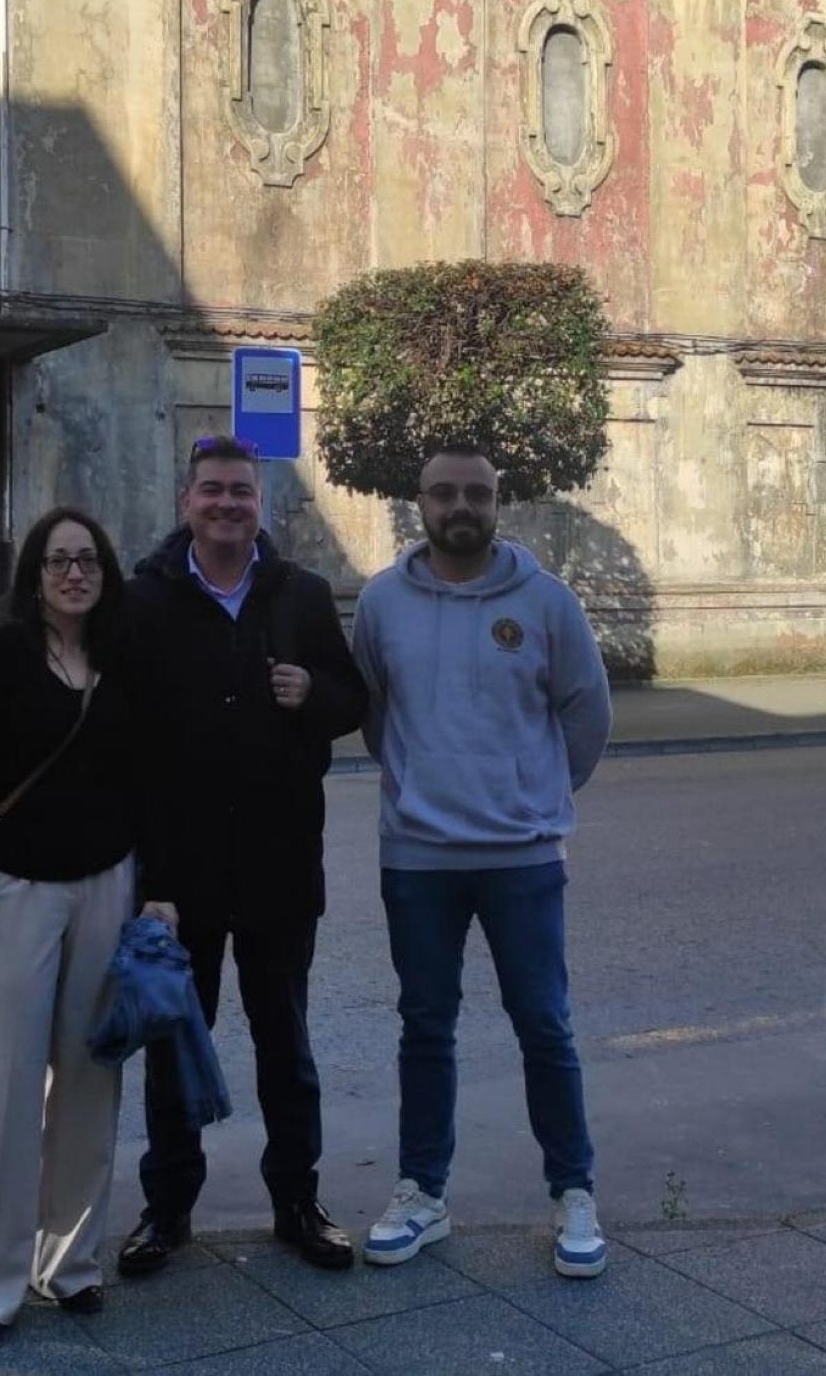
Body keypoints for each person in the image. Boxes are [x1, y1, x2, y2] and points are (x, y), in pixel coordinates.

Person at [350, 443, 612, 1278]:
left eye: (477, 493)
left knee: (545, 1024)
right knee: (425, 1025)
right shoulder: (382, 602)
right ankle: (422, 1192)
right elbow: (375, 713)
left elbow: (586, 712)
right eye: (444, 492)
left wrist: (533, 796)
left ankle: (573, 1192)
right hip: (417, 856)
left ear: (498, 502)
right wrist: (422, 786)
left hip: (521, 857)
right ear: (419, 502)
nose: (460, 506)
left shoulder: (546, 601)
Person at [115, 434, 369, 1276]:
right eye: (213, 490)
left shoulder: (300, 593)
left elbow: (352, 699)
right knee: (175, 1048)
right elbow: (105, 702)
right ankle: (166, 1210)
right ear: (186, 501)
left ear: (260, 505)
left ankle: (298, 1202)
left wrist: (313, 693)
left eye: (241, 492)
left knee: (285, 1046)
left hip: (279, 864)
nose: (227, 503)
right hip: (178, 876)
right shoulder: (146, 599)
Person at [0, 506, 167, 1347]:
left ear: (106, 572)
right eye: (59, 560)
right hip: (13, 891)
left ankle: (68, 1262)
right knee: (1, 1089)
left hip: (108, 884)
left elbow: (151, 782)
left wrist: (157, 889)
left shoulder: (124, 656)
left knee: (89, 1079)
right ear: (33, 575)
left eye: (89, 560)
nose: (75, 573)